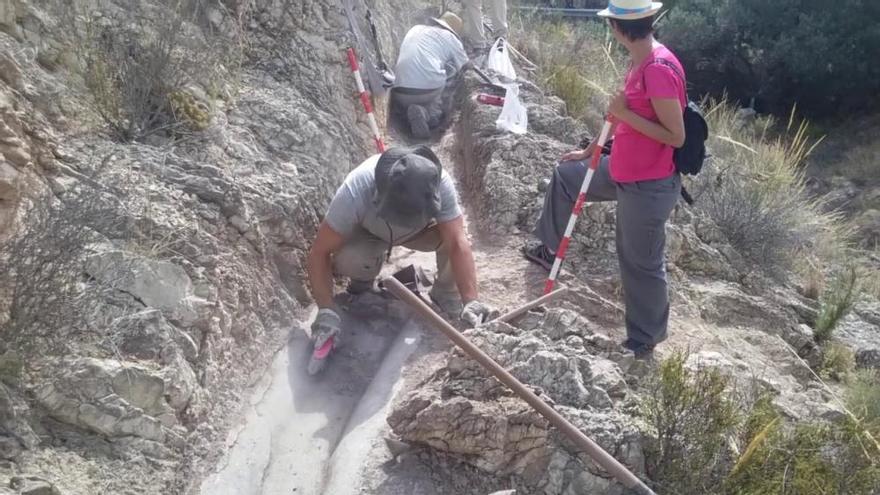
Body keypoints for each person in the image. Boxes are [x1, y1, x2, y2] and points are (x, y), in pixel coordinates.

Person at [523, 0, 686, 359]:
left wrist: (623, 112)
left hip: (647, 184)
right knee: (567, 176)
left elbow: (676, 136)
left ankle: (645, 339)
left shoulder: (657, 68)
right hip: (622, 168)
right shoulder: (639, 60)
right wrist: (590, 151)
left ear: (616, 27)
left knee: (639, 260)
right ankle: (549, 250)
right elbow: (621, 119)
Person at [306, 146, 492, 371]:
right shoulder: (357, 188)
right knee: (350, 258)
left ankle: (446, 293)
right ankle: (362, 284)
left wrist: (471, 300)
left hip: (418, 234)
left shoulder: (439, 184)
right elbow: (320, 252)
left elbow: (458, 244)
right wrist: (326, 308)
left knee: (456, 238)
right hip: (369, 233)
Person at [390, 12, 471, 139]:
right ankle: (430, 115)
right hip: (426, 92)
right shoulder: (451, 38)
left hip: (399, 89)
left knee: (427, 71)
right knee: (451, 73)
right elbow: (466, 67)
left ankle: (405, 116)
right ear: (453, 30)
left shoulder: (415, 28)